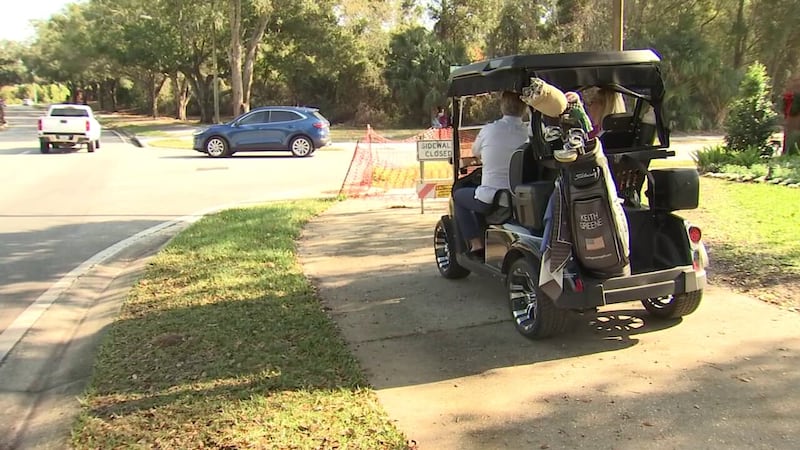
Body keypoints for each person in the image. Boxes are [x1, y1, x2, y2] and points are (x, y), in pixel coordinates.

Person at [453, 91, 528, 255]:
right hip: (520, 196)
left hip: (492, 197)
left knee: (458, 195)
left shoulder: (489, 130)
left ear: (502, 106)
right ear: (524, 108)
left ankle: (475, 244)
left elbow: (475, 151)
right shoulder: (528, 133)